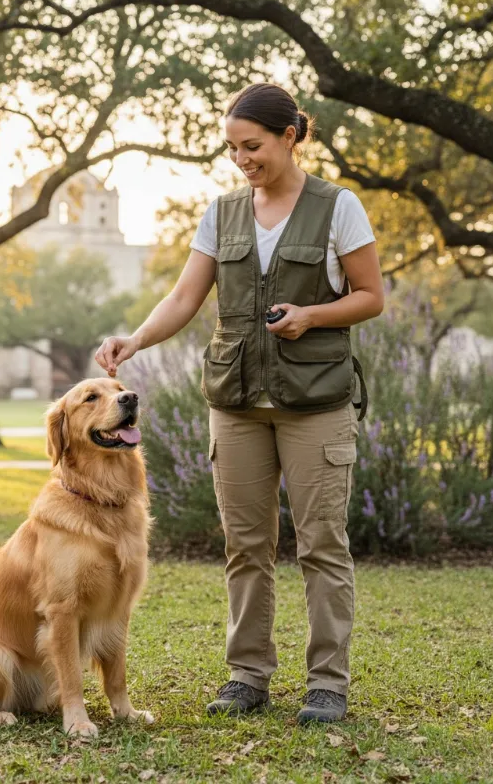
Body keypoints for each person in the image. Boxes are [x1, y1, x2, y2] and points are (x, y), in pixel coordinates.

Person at [95, 82, 384, 725]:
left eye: (252, 146)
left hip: (317, 403)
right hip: (235, 401)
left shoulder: (339, 208)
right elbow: (183, 298)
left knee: (321, 546)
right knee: (246, 545)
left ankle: (327, 685)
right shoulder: (221, 213)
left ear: (290, 136)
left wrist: (311, 315)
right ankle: (248, 675)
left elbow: (370, 296)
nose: (241, 159)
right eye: (231, 148)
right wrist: (134, 339)